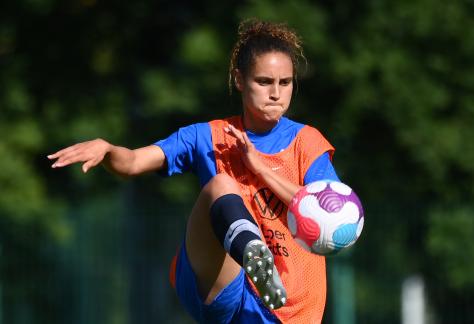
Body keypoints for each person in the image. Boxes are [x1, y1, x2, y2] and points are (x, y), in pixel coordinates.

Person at [48, 19, 340, 323]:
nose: (276, 93)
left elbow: (327, 211)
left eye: (285, 82)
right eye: (264, 81)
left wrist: (260, 169)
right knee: (221, 185)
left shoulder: (307, 142)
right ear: (239, 80)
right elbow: (133, 163)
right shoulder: (206, 136)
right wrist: (108, 150)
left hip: (291, 306)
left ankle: (257, 261)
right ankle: (251, 251)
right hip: (223, 283)